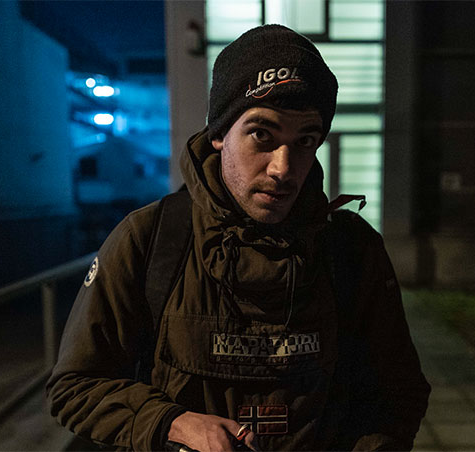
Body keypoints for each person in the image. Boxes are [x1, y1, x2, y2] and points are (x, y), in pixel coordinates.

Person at [47, 24, 430, 452]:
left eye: (305, 140)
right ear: (219, 133)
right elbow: (75, 386)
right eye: (262, 135)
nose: (283, 168)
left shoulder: (350, 250)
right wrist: (172, 423)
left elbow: (397, 393)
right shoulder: (151, 241)